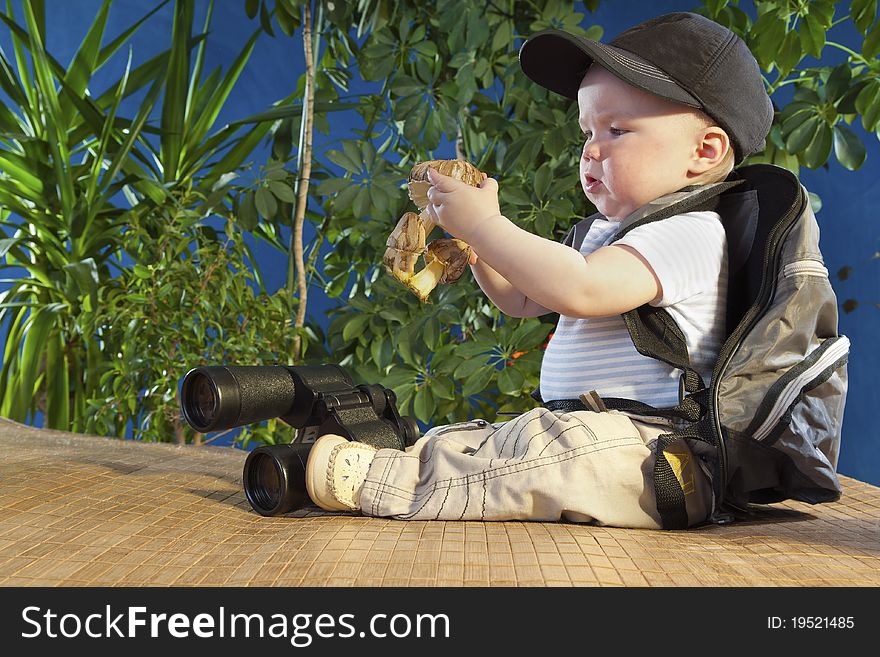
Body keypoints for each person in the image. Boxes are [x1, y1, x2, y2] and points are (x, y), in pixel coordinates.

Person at [303, 12, 774, 529]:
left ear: (703, 152)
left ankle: (384, 483)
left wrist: (488, 227)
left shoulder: (692, 232)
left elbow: (582, 290)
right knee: (491, 439)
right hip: (584, 430)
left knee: (558, 455)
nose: (591, 150)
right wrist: (479, 247)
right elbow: (524, 300)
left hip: (658, 456)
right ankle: (395, 461)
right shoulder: (602, 233)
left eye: (617, 130)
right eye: (587, 131)